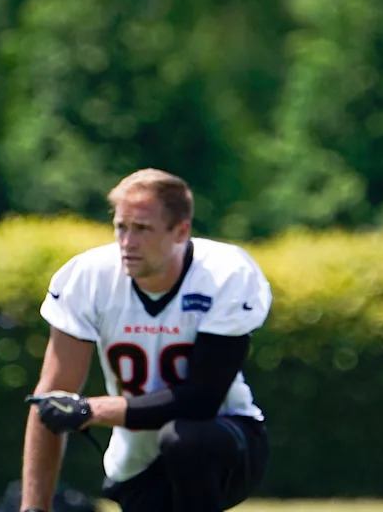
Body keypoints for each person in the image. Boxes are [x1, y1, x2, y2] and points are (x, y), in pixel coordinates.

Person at [20, 168, 271, 512]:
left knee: (184, 439)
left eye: (142, 229)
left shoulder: (224, 274)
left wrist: (92, 410)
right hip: (136, 464)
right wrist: (34, 509)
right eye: (121, 227)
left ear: (181, 231)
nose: (127, 242)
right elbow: (52, 400)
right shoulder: (88, 278)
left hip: (227, 441)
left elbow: (201, 400)